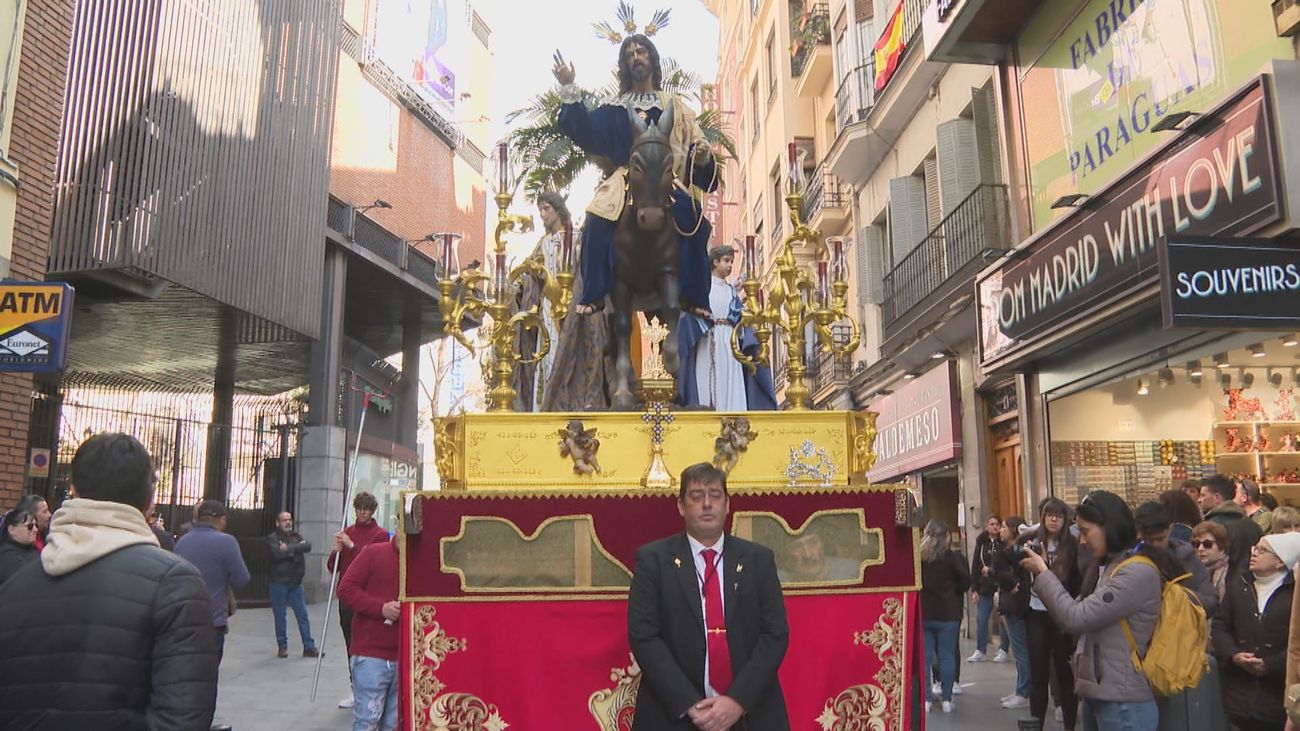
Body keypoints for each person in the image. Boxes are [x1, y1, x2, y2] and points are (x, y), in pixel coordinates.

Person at [0, 433, 218, 728]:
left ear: (74, 490)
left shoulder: (15, 584)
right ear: (150, 501)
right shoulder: (175, 583)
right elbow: (183, 719)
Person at [553, 34, 719, 317]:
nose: (636, 58)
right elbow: (585, 131)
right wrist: (569, 87)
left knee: (693, 220)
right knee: (595, 219)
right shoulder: (615, 106)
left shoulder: (677, 107)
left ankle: (693, 296)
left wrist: (702, 156)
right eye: (629, 55)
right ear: (624, 65)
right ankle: (595, 294)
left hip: (667, 179)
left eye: (641, 52)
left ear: (652, 59)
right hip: (626, 179)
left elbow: (698, 146)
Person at [627, 462, 790, 729]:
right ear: (680, 506)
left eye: (715, 495)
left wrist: (737, 701)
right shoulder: (653, 561)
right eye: (696, 496)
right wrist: (689, 703)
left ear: (727, 505)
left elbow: (775, 634)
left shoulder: (758, 559)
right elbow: (644, 636)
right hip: (674, 714)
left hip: (748, 713)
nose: (706, 504)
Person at [1019, 491, 1172, 731]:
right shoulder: (1111, 565)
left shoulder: (1135, 572)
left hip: (1123, 702)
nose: (1081, 540)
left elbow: (1076, 617)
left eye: (1085, 531)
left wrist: (1043, 573)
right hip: (1102, 693)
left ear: (1108, 528)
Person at [1214, 532, 1300, 731]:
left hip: (1276, 694)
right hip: (1239, 695)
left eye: (1263, 550)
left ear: (1280, 561)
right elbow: (1220, 625)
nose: (1254, 553)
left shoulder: (1292, 592)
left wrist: (1269, 664)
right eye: (1255, 548)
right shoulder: (1239, 585)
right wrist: (1234, 654)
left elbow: (1295, 641)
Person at [678, 244, 777, 411]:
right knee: (706, 376)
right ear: (715, 262)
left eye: (732, 261)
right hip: (708, 338)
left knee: (731, 378)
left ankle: (732, 413)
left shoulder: (731, 291)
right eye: (726, 261)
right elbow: (689, 309)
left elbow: (739, 315)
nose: (730, 265)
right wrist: (699, 314)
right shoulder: (704, 287)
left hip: (730, 341)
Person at [1022, 497, 1082, 731]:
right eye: (1049, 515)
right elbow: (1008, 562)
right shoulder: (1033, 542)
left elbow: (1077, 578)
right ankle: (1036, 723)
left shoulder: (1073, 545)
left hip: (1061, 611)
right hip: (1036, 611)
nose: (1053, 520)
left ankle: (1069, 725)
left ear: (1065, 520)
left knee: (1064, 672)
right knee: (1038, 674)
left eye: (1058, 516)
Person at [328, 491, 391, 709]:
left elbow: (373, 565)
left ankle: (370, 687)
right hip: (347, 598)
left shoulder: (380, 535)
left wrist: (352, 546)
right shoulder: (346, 532)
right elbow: (331, 567)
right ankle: (355, 688)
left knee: (365, 644)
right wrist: (336, 551)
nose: (362, 512)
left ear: (373, 511)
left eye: (366, 509)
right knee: (350, 643)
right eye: (359, 508)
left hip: (368, 597)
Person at [175, 499, 251, 664]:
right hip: (213, 621)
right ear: (222, 520)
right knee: (208, 675)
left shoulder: (182, 542)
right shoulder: (227, 542)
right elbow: (242, 579)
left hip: (184, 619)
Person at [337, 537, 401, 731]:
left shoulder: (422, 559)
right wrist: (380, 608)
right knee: (367, 722)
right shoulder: (373, 553)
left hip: (406, 656)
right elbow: (346, 589)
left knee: (393, 724)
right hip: (371, 655)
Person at [920, 519, 969, 714]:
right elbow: (966, 581)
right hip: (948, 614)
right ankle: (947, 699)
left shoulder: (919, 558)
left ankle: (926, 700)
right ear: (946, 537)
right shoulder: (952, 558)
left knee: (925, 658)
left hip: (925, 613)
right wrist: (954, 591)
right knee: (947, 656)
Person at [1134, 501, 1217, 614]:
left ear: (1170, 529)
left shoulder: (1187, 558)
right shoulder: (1129, 561)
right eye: (1148, 540)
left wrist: (1175, 593)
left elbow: (1210, 602)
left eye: (1160, 539)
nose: (1154, 546)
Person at [266, 511, 317, 658]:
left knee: (302, 615)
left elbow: (307, 546)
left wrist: (288, 549)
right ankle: (282, 646)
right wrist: (295, 549)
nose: (288, 522)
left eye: (289, 520)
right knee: (280, 616)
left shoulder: (296, 536)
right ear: (277, 523)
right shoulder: (272, 538)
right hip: (278, 582)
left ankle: (309, 646)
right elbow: (275, 554)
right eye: (284, 520)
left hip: (295, 583)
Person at [993, 516, 1032, 710]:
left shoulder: (1019, 552)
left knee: (1021, 650)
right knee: (1018, 650)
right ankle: (1020, 688)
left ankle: (1024, 691)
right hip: (1010, 605)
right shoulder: (1007, 553)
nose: (1001, 530)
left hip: (1017, 606)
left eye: (1004, 527)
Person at [1201, 474, 1263, 571]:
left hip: (1223, 582)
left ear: (1217, 497)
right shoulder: (1252, 525)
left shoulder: (1211, 527)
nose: (1199, 500)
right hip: (1251, 582)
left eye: (1203, 495)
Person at [969, 514, 1008, 663]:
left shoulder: (1003, 543)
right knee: (981, 618)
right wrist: (974, 589)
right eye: (992, 524)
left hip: (1000, 585)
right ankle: (980, 649)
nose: (995, 527)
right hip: (984, 587)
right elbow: (975, 566)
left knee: (1003, 618)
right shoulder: (981, 542)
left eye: (997, 524)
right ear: (987, 526)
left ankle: (1003, 649)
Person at [1192, 520, 1233, 607]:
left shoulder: (1232, 575)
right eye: (1197, 544)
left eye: (1207, 544)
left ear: (1222, 549)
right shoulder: (1190, 573)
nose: (1200, 549)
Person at [0, 506, 40, 585]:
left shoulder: (32, 549)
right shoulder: (6, 556)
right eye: (30, 526)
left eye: (36, 525)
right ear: (12, 530)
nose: (36, 530)